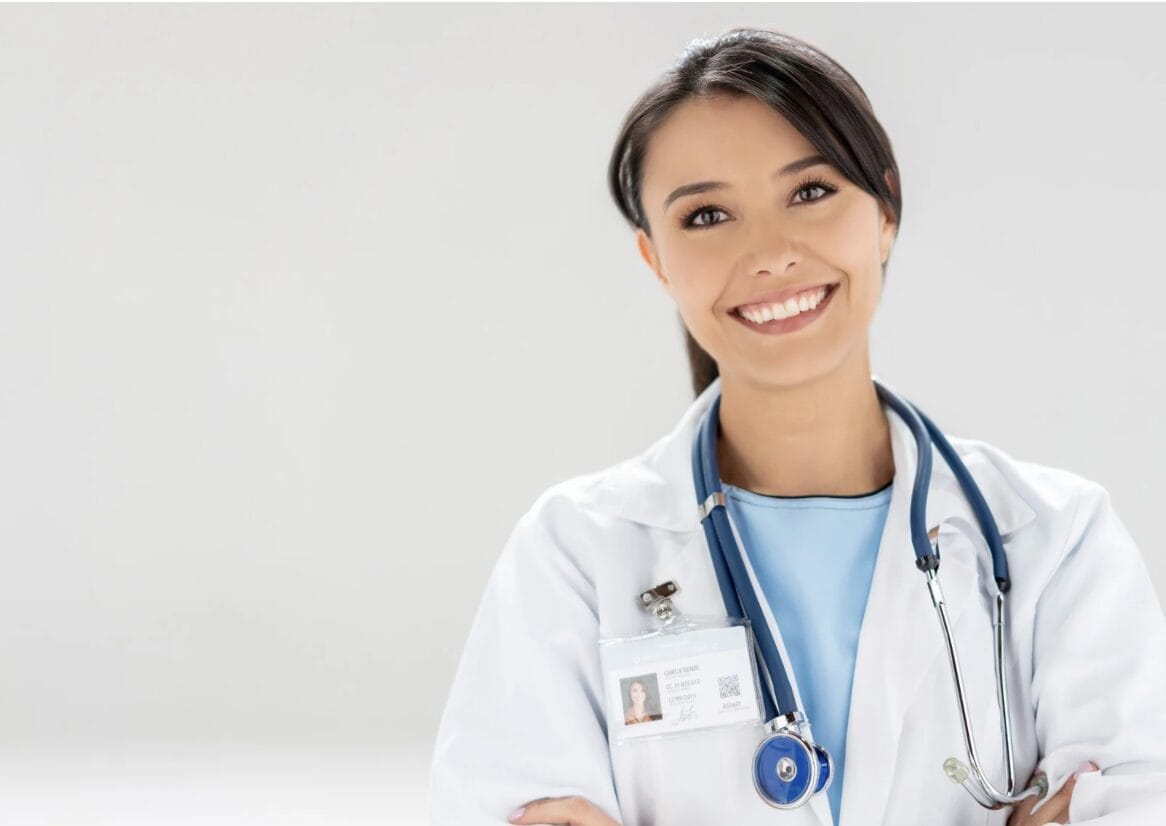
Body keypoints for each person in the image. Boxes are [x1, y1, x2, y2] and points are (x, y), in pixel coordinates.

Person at [428, 26, 1166, 826]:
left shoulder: (1054, 542)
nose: (770, 254)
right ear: (655, 260)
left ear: (884, 211)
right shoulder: (577, 554)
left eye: (810, 192)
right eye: (708, 215)